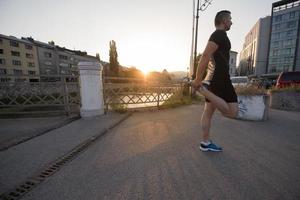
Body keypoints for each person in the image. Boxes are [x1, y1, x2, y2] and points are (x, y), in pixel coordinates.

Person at [192, 10, 238, 152]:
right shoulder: (218, 34)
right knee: (232, 113)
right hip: (219, 78)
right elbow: (205, 55)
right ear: (224, 21)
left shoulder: (220, 35)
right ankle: (203, 90)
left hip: (218, 77)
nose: (231, 21)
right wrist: (198, 78)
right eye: (230, 19)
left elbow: (209, 56)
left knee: (208, 112)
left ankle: (205, 143)